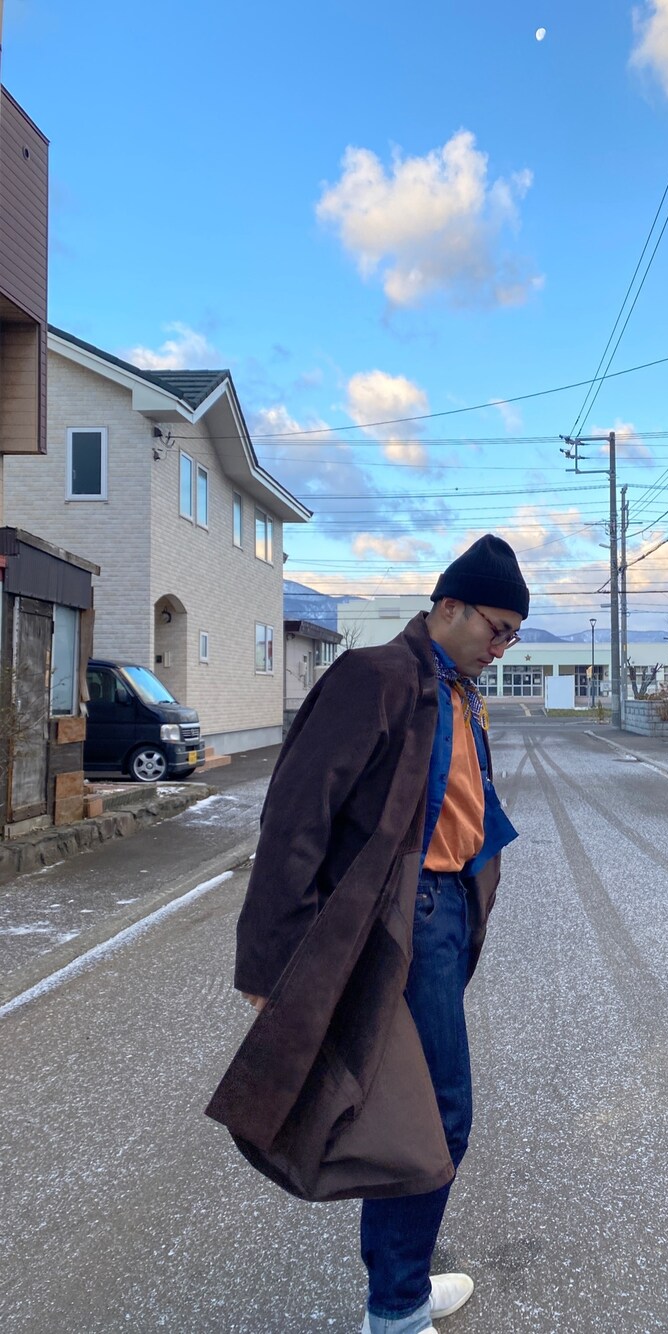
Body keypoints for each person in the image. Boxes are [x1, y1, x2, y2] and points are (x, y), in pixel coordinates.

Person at [206, 534, 529, 1334]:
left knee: (412, 1110)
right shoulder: (376, 676)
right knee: (438, 1114)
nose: (502, 648)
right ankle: (396, 1309)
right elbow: (295, 816)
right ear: (448, 607)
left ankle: (399, 1289)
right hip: (398, 917)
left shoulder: (456, 690)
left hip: (444, 910)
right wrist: (272, 962)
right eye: (497, 629)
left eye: (514, 637)